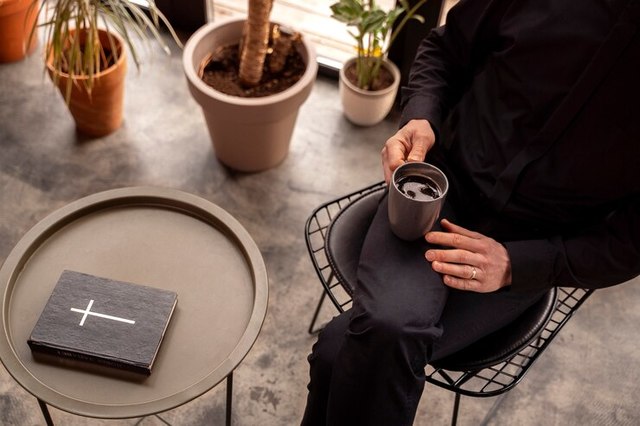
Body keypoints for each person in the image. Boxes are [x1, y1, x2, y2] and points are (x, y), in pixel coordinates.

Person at [301, 0, 640, 424]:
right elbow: (445, 49)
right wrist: (420, 116)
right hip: (439, 192)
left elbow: (632, 243)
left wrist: (518, 264)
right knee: (384, 330)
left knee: (339, 352)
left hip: (527, 245)